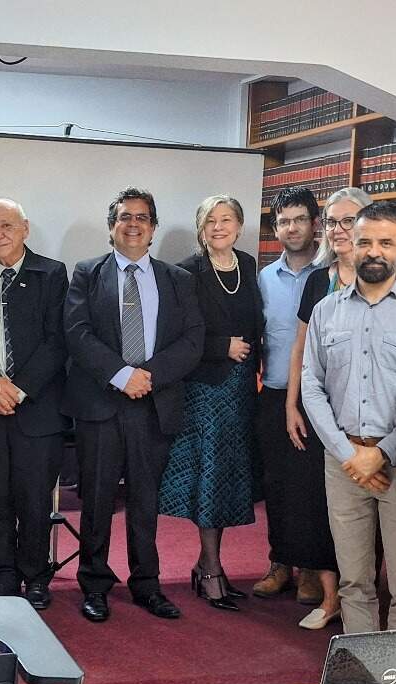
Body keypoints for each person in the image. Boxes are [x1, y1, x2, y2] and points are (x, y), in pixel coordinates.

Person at [300, 201, 396, 635]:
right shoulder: (327, 310)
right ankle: (362, 666)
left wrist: (380, 455)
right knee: (353, 582)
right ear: (350, 244)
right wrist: (349, 455)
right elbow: (311, 386)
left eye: (386, 242)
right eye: (365, 241)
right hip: (342, 461)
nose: (374, 251)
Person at [63, 187, 204, 622]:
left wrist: (149, 376)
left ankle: (147, 584)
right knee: (98, 500)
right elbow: (77, 332)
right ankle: (95, 584)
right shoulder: (87, 273)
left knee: (145, 501)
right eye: (125, 217)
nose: (133, 224)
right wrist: (122, 375)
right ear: (112, 227)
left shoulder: (178, 279)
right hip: (101, 403)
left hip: (154, 403)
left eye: (142, 217)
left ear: (153, 228)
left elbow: (192, 340)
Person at [157, 195, 263, 611]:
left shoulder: (247, 265)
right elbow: (176, 336)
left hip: (242, 388)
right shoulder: (187, 272)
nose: (219, 227)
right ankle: (212, 570)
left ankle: (206, 564)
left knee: (229, 479)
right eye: (210, 221)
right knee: (210, 478)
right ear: (201, 228)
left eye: (226, 219)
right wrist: (222, 347)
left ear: (239, 226)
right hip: (205, 389)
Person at [0, 199, 69, 608]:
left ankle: (36, 576)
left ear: (25, 228)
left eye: (6, 225)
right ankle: (3, 576)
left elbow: (57, 340)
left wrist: (19, 388)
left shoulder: (52, 273)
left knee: (34, 497)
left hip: (38, 407)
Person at [283, 186, 373, 630]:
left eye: (348, 221)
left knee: (367, 510)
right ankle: (332, 597)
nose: (338, 230)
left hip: (369, 419)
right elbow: (300, 349)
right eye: (333, 221)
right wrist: (291, 404)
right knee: (320, 505)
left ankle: (365, 602)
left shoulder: (383, 278)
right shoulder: (318, 280)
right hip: (320, 412)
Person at [253, 186, 324, 605]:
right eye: (284, 222)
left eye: (299, 219)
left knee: (312, 489)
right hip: (275, 394)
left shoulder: (331, 273)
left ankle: (312, 569)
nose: (292, 228)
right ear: (275, 229)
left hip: (320, 402)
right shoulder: (264, 279)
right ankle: (280, 563)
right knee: (276, 485)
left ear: (315, 224)